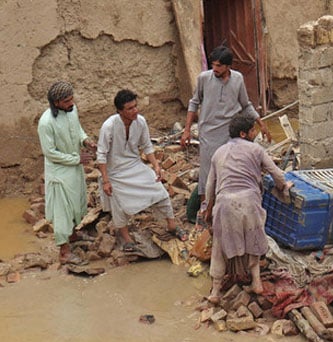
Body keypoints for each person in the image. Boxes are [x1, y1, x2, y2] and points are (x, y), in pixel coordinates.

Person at [204, 113, 291, 302]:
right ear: (244, 134)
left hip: (225, 203)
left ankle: (215, 292)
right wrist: (284, 187)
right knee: (254, 240)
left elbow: (210, 186)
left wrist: (207, 209)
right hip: (250, 201)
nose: (256, 133)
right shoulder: (256, 150)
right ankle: (257, 283)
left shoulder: (218, 152)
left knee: (219, 247)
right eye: (253, 130)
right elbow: (276, 174)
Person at [96, 89, 188, 252]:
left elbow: (147, 146)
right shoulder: (109, 126)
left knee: (160, 191)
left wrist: (156, 166)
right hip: (114, 172)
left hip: (135, 166)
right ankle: (126, 238)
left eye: (136, 106)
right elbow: (101, 154)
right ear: (120, 111)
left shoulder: (140, 122)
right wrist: (106, 180)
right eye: (130, 108)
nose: (135, 111)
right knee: (119, 204)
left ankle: (172, 226)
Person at [180, 45, 271, 205]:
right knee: (207, 172)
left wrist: (261, 124)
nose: (215, 68)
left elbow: (246, 104)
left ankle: (227, 204)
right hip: (208, 133)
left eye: (219, 66)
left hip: (230, 133)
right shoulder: (203, 78)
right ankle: (205, 209)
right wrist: (186, 130)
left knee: (230, 168)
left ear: (228, 66)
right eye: (213, 65)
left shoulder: (238, 79)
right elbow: (194, 103)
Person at [37, 81, 97, 265]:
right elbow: (50, 153)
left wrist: (85, 140)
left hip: (74, 167)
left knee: (76, 202)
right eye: (66, 101)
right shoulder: (46, 123)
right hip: (59, 172)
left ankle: (73, 235)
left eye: (72, 99)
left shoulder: (73, 110)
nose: (71, 103)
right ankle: (64, 252)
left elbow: (77, 129)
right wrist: (75, 159)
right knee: (62, 211)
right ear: (56, 103)